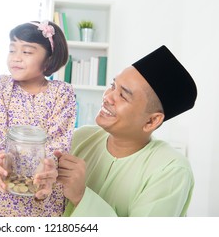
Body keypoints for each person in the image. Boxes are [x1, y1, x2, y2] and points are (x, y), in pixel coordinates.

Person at [55, 45, 197, 217]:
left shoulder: (171, 170)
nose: (107, 96)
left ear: (152, 121)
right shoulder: (81, 137)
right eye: (112, 85)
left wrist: (81, 196)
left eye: (123, 95)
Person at [0, 20, 76, 217]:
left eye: (27, 52)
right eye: (12, 50)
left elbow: (59, 141)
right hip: (0, 200)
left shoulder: (62, 93)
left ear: (49, 59)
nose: (16, 58)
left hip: (43, 200)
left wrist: (46, 168)